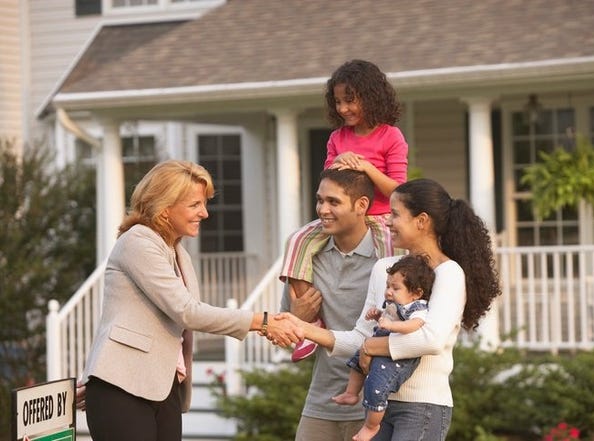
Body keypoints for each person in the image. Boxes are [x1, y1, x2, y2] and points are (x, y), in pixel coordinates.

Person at [75, 160, 302, 441]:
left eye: (204, 204)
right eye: (195, 204)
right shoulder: (137, 242)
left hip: (162, 385)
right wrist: (262, 322)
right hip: (123, 387)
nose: (204, 213)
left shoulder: (178, 253)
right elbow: (187, 312)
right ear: (165, 205)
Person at [277, 178, 501, 441]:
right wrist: (302, 327)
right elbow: (361, 337)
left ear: (422, 221)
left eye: (395, 214)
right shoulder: (384, 268)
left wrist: (371, 347)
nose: (388, 222)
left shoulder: (448, 273)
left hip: (423, 407)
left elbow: (431, 339)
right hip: (380, 406)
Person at [281, 59, 408, 362]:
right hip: (342, 215)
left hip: (377, 217)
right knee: (298, 239)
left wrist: (365, 167)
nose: (343, 109)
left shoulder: (391, 136)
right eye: (338, 101)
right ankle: (308, 320)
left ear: (371, 96)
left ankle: (392, 321)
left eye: (350, 100)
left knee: (392, 258)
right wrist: (340, 162)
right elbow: (329, 182)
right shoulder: (338, 138)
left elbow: (399, 191)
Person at [280, 168, 394, 441]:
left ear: (361, 205)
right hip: (322, 403)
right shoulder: (307, 262)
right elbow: (285, 336)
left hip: (379, 405)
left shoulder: (387, 263)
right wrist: (296, 318)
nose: (322, 209)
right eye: (320, 200)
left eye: (333, 202)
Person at [332, 254, 436, 441]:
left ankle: (371, 426)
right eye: (388, 286)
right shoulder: (392, 304)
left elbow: (415, 325)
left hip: (397, 357)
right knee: (356, 362)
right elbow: (387, 315)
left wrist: (391, 326)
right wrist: (377, 314)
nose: (388, 291)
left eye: (395, 288)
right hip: (380, 347)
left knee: (376, 387)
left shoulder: (417, 307)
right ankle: (351, 393)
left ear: (417, 292)